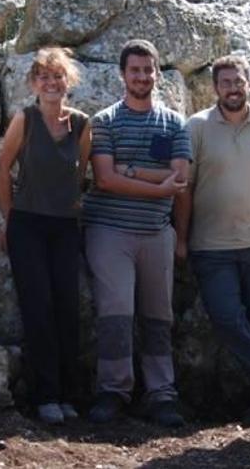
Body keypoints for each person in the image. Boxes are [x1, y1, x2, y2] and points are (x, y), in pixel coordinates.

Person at [173, 55, 250, 425]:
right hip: (211, 248)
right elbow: (184, 188)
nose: (233, 88)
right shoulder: (197, 127)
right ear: (215, 88)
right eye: (225, 82)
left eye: (238, 81)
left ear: (249, 83)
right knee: (227, 318)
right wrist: (181, 238)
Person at [82, 39, 191, 428]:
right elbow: (104, 179)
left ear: (157, 74)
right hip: (109, 231)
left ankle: (162, 393)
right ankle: (114, 390)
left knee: (159, 315)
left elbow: (181, 178)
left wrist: (131, 171)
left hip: (156, 232)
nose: (142, 77)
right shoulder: (104, 122)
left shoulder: (176, 124)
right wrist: (157, 183)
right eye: (135, 70)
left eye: (148, 70)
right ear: (122, 74)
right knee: (116, 312)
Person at [0, 47, 91, 425]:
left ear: (69, 82)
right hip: (28, 224)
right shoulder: (26, 119)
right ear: (34, 83)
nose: (52, 83)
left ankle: (69, 393)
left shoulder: (82, 124)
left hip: (66, 226)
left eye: (58, 76)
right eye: (44, 77)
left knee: (68, 308)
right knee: (38, 308)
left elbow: (80, 173)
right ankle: (45, 395)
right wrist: (9, 219)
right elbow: (4, 171)